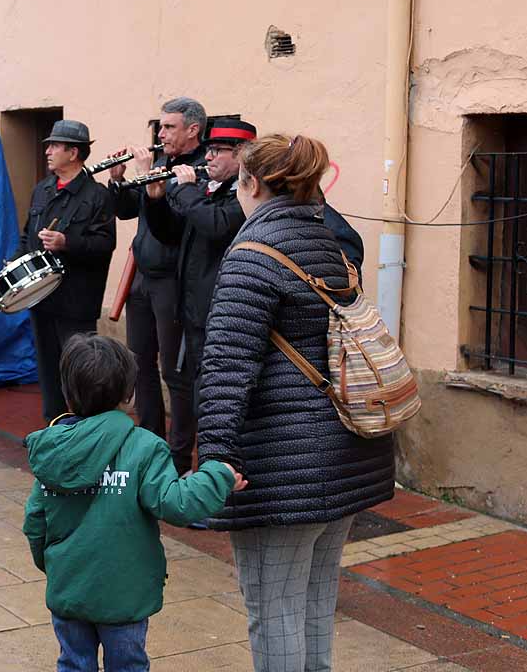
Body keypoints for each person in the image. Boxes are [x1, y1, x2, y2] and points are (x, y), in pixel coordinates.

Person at [197, 134, 395, 672]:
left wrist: (214, 456)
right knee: (313, 600)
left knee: (272, 606)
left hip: (286, 463)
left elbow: (225, 368)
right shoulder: (329, 243)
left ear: (253, 182)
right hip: (344, 452)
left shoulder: (253, 254)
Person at [23, 333, 246, 672]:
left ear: (67, 394)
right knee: (127, 665)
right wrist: (219, 475)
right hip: (125, 595)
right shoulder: (144, 447)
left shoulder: (51, 450)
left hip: (69, 588)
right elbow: (177, 503)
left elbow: (35, 521)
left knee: (73, 663)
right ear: (129, 395)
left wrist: (55, 566)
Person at [142, 117, 255, 476]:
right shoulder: (212, 189)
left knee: (216, 402)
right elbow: (172, 233)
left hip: (222, 317)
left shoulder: (248, 195)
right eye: (208, 150)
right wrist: (157, 200)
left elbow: (217, 225)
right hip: (192, 312)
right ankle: (188, 470)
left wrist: (185, 190)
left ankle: (217, 477)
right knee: (192, 392)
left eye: (218, 150)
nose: (209, 158)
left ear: (242, 154)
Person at [106, 97, 206, 469]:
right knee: (139, 363)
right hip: (142, 281)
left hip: (173, 284)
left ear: (193, 130)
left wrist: (155, 187)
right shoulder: (163, 162)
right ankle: (149, 447)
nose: (160, 134)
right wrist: (118, 182)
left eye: (169, 127)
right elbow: (130, 210)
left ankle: (179, 458)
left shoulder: (198, 171)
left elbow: (169, 230)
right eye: (160, 127)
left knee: (175, 373)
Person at [16, 120, 116, 421]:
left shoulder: (97, 195)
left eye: (54, 146)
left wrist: (66, 242)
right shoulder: (42, 190)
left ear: (73, 153)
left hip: (76, 300)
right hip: (41, 296)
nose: (47, 151)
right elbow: (26, 235)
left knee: (81, 368)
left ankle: (85, 429)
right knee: (47, 367)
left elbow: (105, 244)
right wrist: (15, 263)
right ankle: (54, 428)